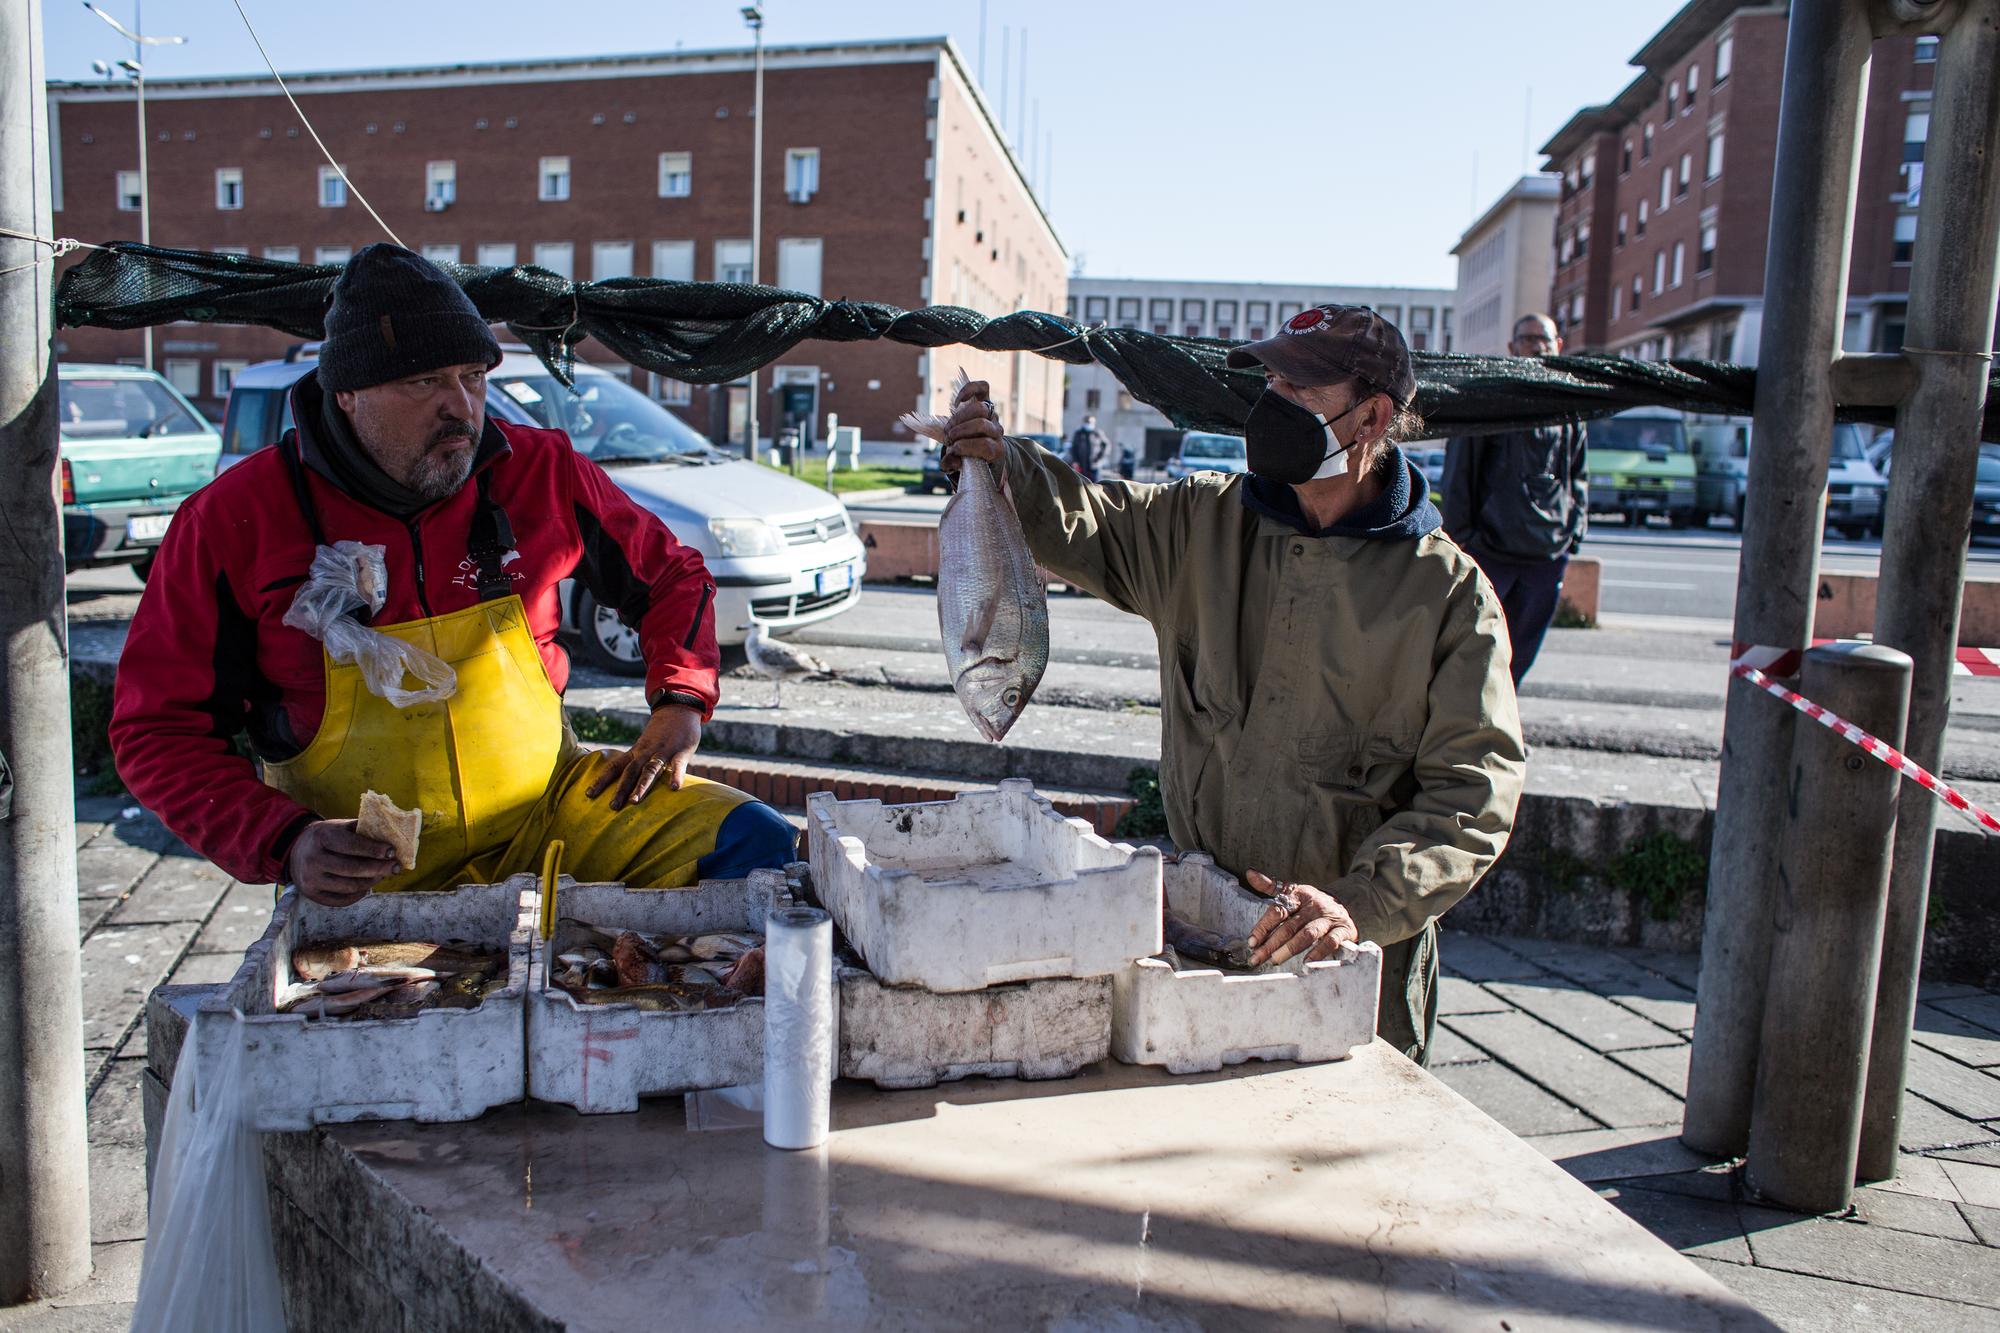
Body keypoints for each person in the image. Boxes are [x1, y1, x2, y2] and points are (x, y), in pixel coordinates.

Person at [110, 244, 797, 906]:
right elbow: (156, 731)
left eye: (473, 376)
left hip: (551, 819)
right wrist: (282, 840)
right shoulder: (232, 519)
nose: (462, 406)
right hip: (366, 874)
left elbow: (672, 575)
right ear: (345, 391)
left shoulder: (541, 473)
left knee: (760, 848)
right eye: (423, 381)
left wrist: (680, 701)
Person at [944, 304, 1525, 1063]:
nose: (1273, 399)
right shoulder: (1202, 524)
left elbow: (1473, 795)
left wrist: (1356, 903)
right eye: (1272, 378)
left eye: (1302, 386)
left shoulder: (1448, 596)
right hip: (1199, 944)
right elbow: (1089, 521)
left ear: (1373, 416)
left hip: (1346, 975)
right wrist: (1006, 462)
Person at [1440, 313, 1587, 684]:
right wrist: (1465, 539)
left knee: (1520, 657)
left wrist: (1575, 530)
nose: (1538, 346)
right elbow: (1459, 473)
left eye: (1545, 339)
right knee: (1473, 649)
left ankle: (1505, 730)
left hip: (1547, 552)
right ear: (1512, 346)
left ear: (1559, 345)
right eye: (1528, 338)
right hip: (1491, 549)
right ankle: (1468, 733)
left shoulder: (1568, 405)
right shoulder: (1489, 398)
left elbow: (1577, 474)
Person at [1069, 413, 1111, 481]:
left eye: (1090, 422)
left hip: (1095, 465)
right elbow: (1074, 448)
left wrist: (1100, 459)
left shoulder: (1097, 433)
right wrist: (1075, 461)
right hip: (1081, 466)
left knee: (1095, 485)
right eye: (1087, 422)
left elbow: (1106, 445)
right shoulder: (1078, 433)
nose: (1088, 424)